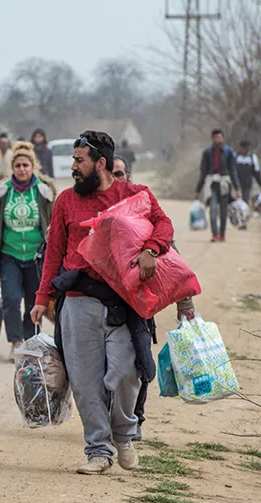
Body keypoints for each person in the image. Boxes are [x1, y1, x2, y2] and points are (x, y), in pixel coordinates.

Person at [30, 131, 175, 474]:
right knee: (84, 381)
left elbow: (164, 225)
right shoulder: (66, 201)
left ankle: (123, 434)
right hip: (77, 302)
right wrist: (42, 297)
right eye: (73, 161)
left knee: (127, 373)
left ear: (101, 164)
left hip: (123, 302)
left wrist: (150, 249)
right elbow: (53, 253)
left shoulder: (135, 196)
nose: (73, 167)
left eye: (79, 161)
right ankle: (98, 450)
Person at [113, 155, 196, 442]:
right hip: (102, 301)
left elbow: (170, 251)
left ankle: (135, 418)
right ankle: (108, 419)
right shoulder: (96, 210)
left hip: (139, 302)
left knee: (140, 361)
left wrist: (184, 302)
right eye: (112, 174)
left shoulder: (142, 206)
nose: (117, 179)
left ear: (129, 176)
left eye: (121, 173)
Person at [0, 142, 54, 360]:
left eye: (26, 165)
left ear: (33, 167)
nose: (22, 169)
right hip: (9, 255)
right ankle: (17, 341)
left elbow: (52, 225)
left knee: (34, 303)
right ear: (12, 168)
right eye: (18, 165)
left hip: (36, 256)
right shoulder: (3, 192)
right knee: (12, 298)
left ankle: (31, 343)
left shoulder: (44, 191)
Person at [195, 128, 241, 242]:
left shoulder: (228, 152)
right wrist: (198, 190)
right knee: (213, 209)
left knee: (224, 210)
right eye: (216, 138)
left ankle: (222, 233)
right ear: (213, 139)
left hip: (224, 184)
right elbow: (203, 172)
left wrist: (237, 187)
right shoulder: (207, 153)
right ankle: (215, 234)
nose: (218, 140)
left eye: (220, 137)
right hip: (212, 184)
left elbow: (232, 171)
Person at [235, 140, 261, 211]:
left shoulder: (252, 157)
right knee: (237, 200)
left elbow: (256, 172)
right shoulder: (236, 156)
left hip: (247, 183)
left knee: (245, 199)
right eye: (243, 148)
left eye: (246, 148)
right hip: (237, 183)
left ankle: (244, 215)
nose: (244, 149)